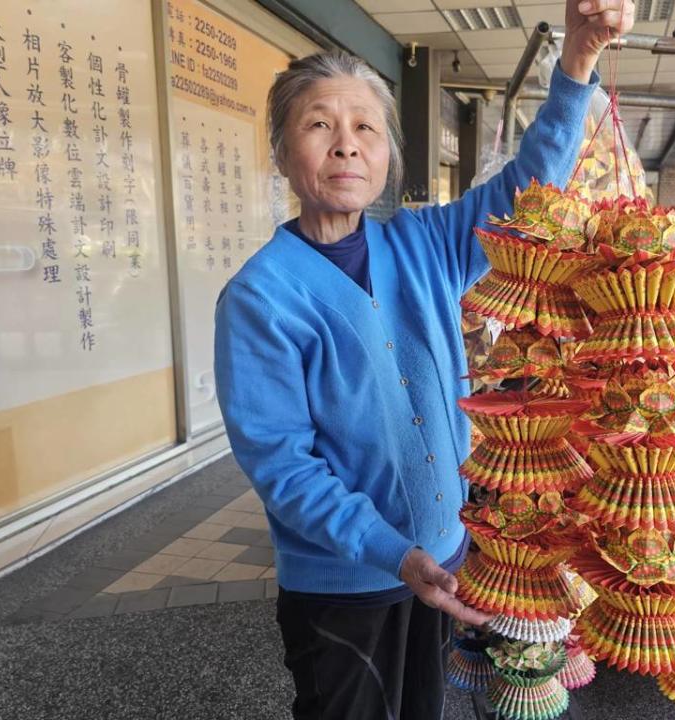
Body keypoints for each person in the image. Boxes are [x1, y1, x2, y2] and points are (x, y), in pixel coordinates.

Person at [214, 2, 635, 718]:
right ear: (283, 152)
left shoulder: (426, 245)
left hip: (444, 558)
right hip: (343, 587)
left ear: (387, 156)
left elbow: (527, 189)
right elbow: (284, 467)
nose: (346, 146)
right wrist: (393, 553)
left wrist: (578, 59)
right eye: (320, 125)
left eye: (366, 128)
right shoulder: (261, 297)